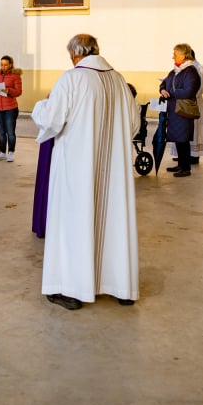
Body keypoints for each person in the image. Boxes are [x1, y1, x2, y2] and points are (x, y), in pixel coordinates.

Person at [32, 34, 139, 310]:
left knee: (72, 222)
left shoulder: (72, 79)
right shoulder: (118, 80)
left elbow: (51, 120)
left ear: (75, 54)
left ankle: (70, 288)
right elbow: (134, 124)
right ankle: (119, 286)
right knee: (113, 221)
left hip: (76, 168)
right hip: (113, 171)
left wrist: (41, 106)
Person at [159, 43, 203, 177]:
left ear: (184, 55)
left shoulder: (191, 71)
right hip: (174, 109)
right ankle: (181, 164)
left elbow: (189, 91)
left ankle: (186, 168)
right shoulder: (175, 71)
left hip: (183, 110)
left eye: (175, 54)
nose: (173, 57)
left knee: (183, 138)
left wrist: (171, 93)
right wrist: (162, 90)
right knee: (178, 138)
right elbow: (164, 82)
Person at [0, 55, 22, 161]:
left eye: (5, 65)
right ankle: (2, 152)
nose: (3, 67)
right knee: (1, 132)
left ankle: (11, 152)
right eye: (1, 64)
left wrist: (8, 90)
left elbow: (19, 92)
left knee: (10, 132)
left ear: (10, 65)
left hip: (11, 108)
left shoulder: (15, 76)